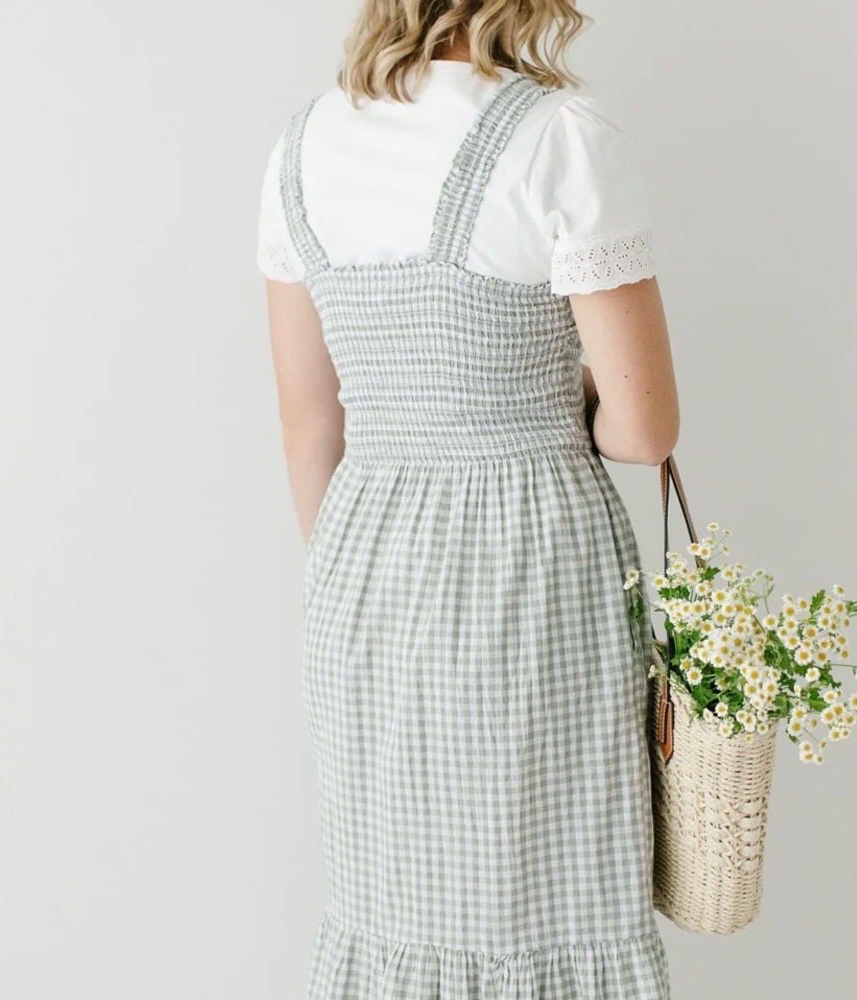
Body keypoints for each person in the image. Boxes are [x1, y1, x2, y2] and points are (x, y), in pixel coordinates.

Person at [258, 2, 680, 997]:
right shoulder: (557, 137)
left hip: (359, 562)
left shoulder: (301, 147)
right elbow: (645, 425)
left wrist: (367, 579)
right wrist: (544, 399)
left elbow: (308, 426)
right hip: (525, 558)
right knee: (548, 892)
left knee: (396, 899)